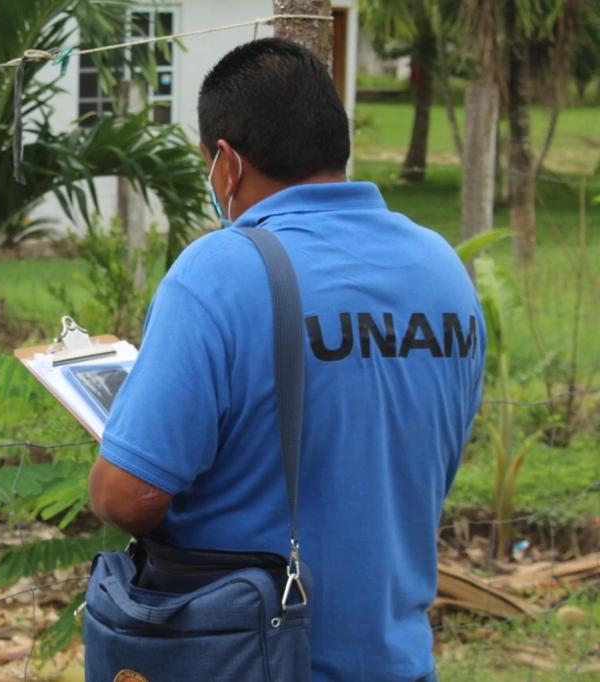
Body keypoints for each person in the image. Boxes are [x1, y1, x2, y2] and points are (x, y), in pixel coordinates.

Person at [88, 38, 485, 681]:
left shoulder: (219, 272)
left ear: (225, 164)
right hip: (400, 658)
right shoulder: (441, 268)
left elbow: (127, 496)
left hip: (256, 658)